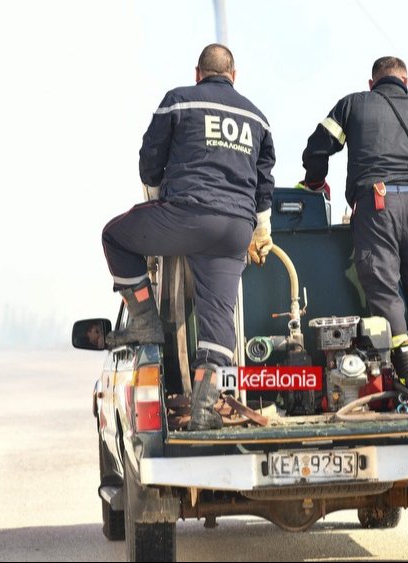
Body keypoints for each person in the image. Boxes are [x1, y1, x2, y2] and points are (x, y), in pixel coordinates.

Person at [102, 44, 276, 430]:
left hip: (186, 216)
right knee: (218, 323)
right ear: (234, 75)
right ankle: (203, 412)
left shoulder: (179, 101)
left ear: (198, 73)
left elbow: (151, 158)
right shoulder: (257, 117)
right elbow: (265, 184)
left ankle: (144, 320)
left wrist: (154, 197)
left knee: (115, 237)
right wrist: (261, 228)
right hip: (235, 230)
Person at [300, 56, 408, 393]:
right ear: (406, 82)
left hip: (376, 202)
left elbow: (318, 146)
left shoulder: (355, 104)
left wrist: (314, 181)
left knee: (382, 284)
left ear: (372, 83)